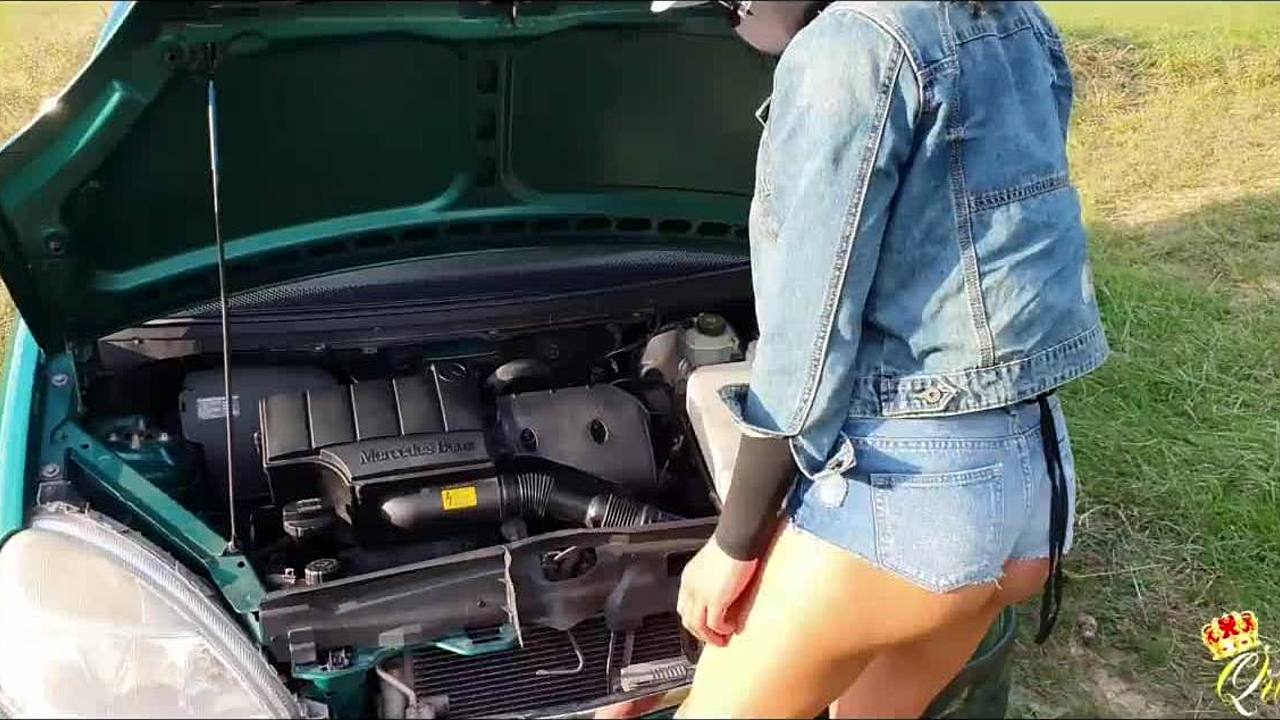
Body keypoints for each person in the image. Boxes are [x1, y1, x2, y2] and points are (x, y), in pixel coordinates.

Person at [653, 1, 1110, 717]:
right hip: (1035, 484)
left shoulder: (851, 42)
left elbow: (807, 337)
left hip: (912, 501)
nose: (731, 21)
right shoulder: (1015, 16)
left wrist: (732, 544)